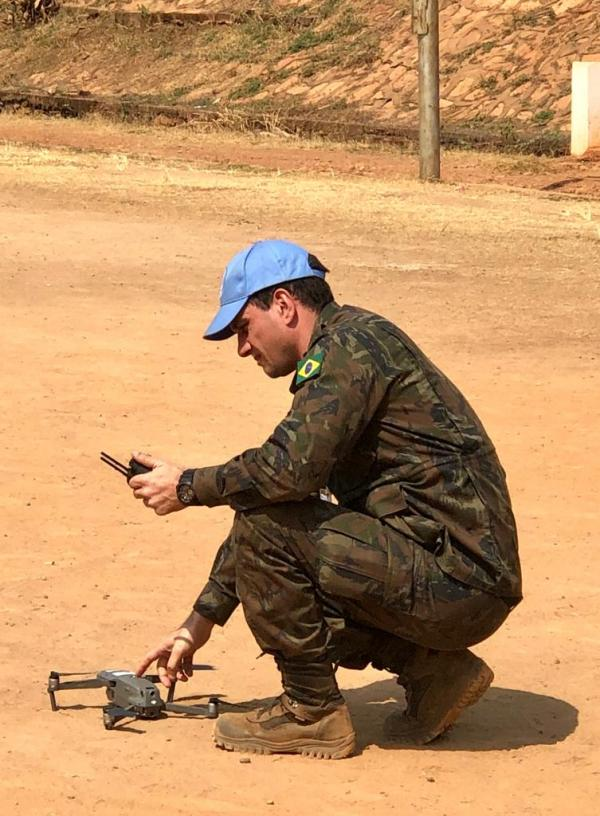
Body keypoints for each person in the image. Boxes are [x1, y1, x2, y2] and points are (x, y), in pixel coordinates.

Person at [130, 238, 522, 760]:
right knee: (277, 527)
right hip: (457, 576)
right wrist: (197, 624)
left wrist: (187, 486)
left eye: (244, 327)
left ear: (284, 305)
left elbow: (282, 478)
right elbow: (279, 492)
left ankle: (311, 713)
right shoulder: (351, 344)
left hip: (457, 580)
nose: (242, 348)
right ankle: (436, 672)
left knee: (270, 530)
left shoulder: (348, 350)